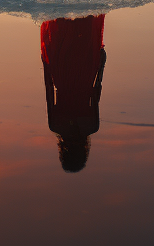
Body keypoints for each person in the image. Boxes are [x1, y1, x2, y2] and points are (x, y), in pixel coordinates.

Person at [40, 13, 106, 172]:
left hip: (85, 71)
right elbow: (49, 89)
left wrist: (100, 62)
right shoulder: (55, 126)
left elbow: (96, 91)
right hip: (62, 73)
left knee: (86, 24)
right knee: (62, 27)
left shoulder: (91, 126)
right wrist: (47, 61)